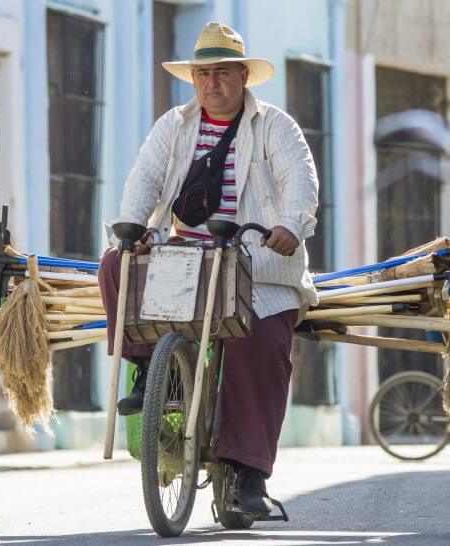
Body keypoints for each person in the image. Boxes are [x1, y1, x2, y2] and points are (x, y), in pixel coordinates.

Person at [98, 22, 318, 516]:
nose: (211, 83)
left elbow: (300, 180)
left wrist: (289, 225)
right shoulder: (173, 125)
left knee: (259, 347)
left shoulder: (276, 126)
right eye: (203, 74)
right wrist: (132, 228)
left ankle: (247, 477)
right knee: (116, 265)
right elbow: (146, 177)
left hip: (257, 267)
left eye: (222, 73)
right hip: (184, 262)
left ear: (243, 76)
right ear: (193, 78)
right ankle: (149, 371)